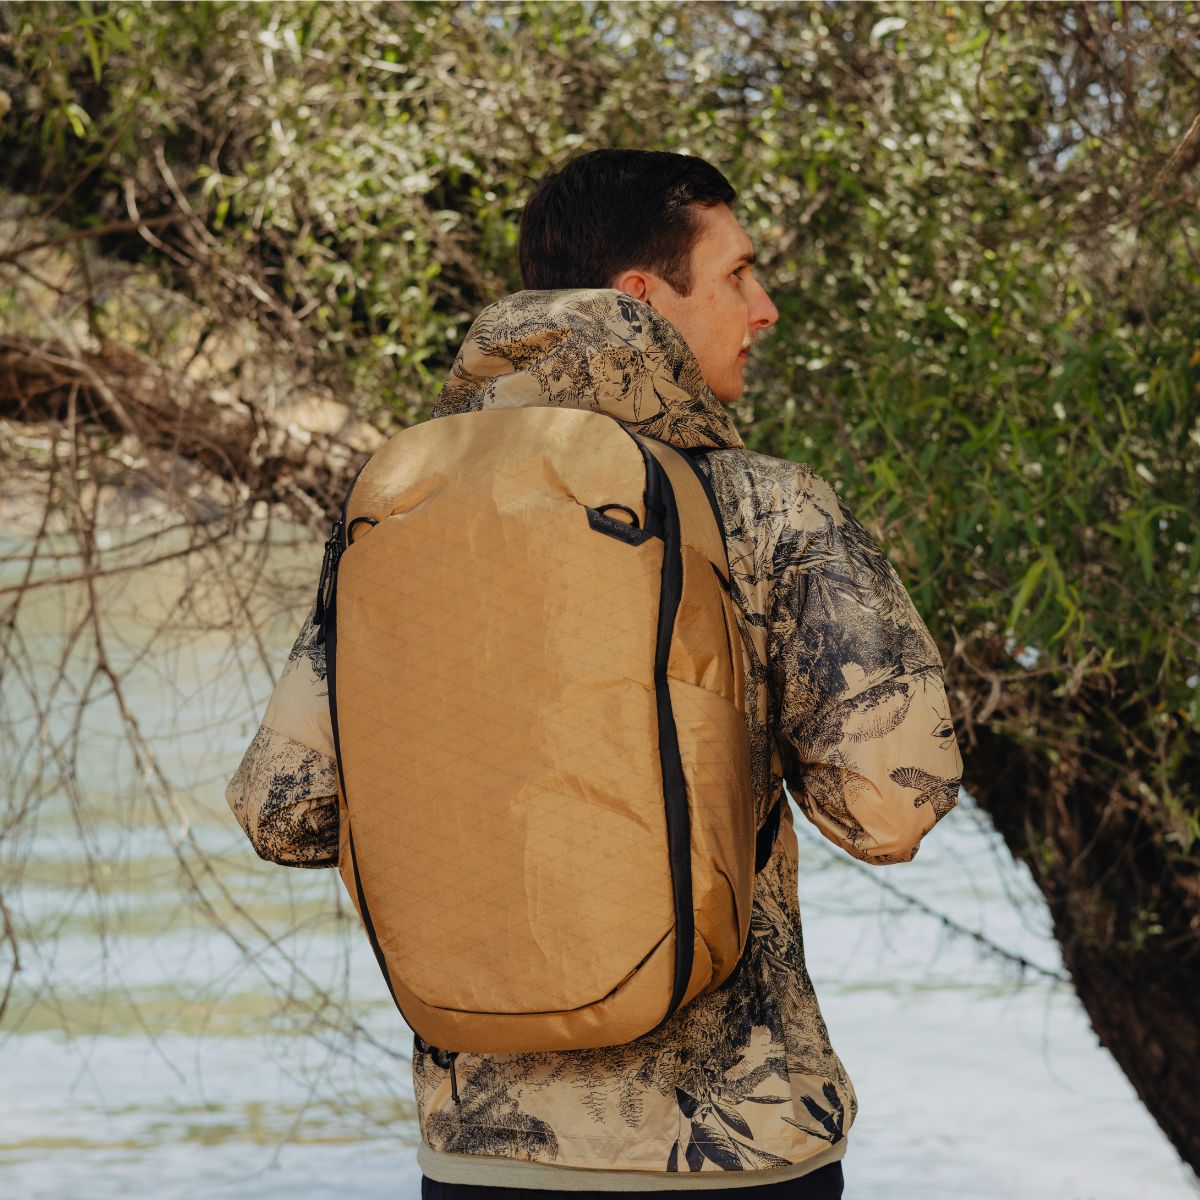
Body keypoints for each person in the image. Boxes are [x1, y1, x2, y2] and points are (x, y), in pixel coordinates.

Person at [227, 149, 964, 1198]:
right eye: (737, 274)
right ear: (642, 299)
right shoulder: (766, 507)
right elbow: (890, 807)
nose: (764, 308)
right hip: (730, 1154)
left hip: (481, 1150)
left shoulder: (404, 506)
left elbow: (284, 810)